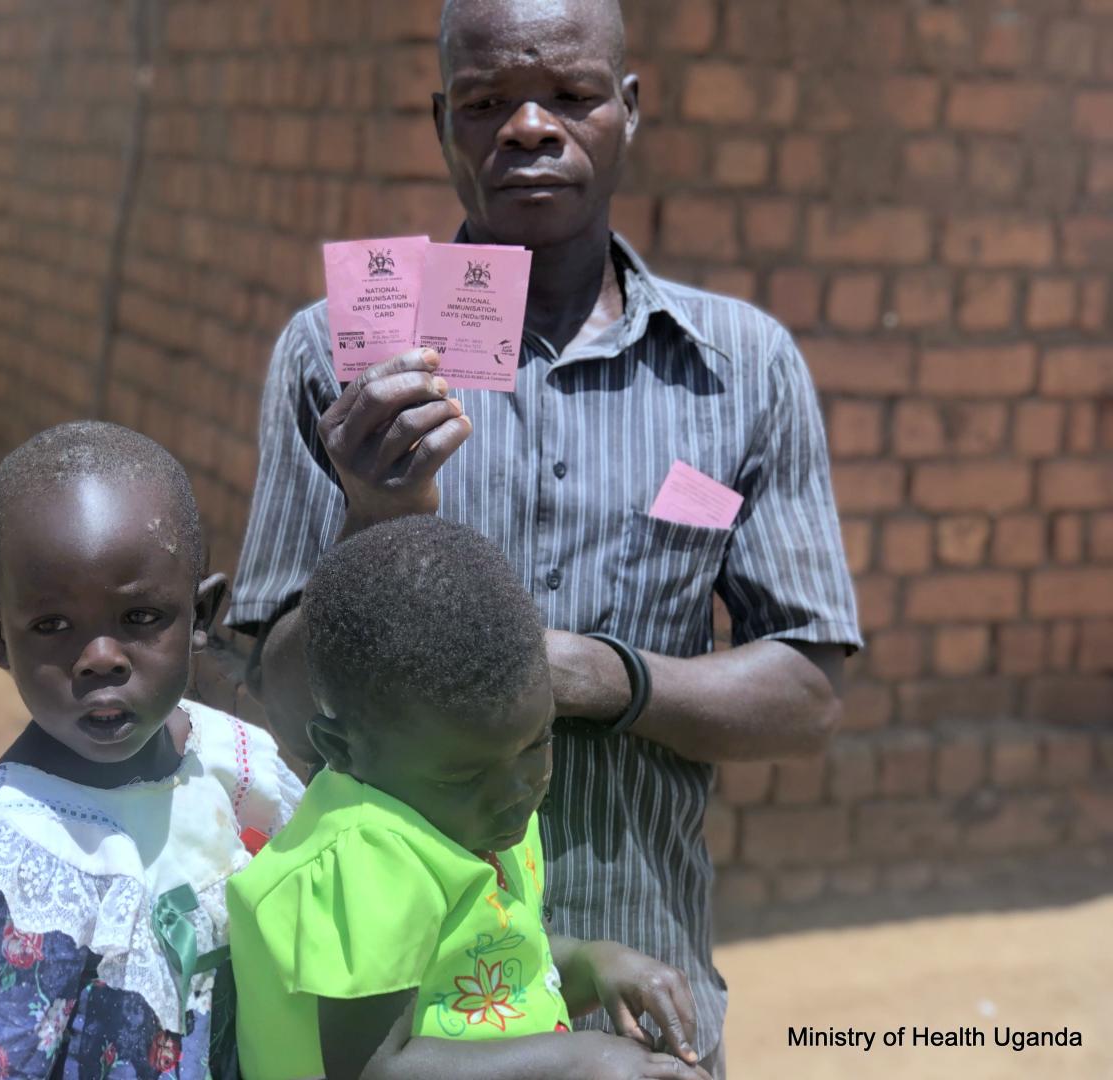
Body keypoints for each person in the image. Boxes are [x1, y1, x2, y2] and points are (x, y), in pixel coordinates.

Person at [230, 1, 863, 1074]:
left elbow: (808, 695)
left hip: (638, 996)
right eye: (485, 103)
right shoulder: (344, 357)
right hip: (400, 1009)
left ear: (628, 110)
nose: (527, 127)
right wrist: (377, 517)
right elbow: (276, 701)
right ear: (442, 124)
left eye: (569, 96)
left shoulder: (743, 367)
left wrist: (593, 676)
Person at [0, 421, 303, 1080]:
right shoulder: (17, 860)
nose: (101, 659)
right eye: (52, 626)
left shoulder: (234, 765)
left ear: (200, 616)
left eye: (140, 619)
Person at [229, 516, 712, 1080]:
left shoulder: (473, 816)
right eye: (462, 775)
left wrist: (592, 962)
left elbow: (487, 964)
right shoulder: (366, 859)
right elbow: (373, 1070)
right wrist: (577, 1062)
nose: (518, 791)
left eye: (538, 743)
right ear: (343, 751)